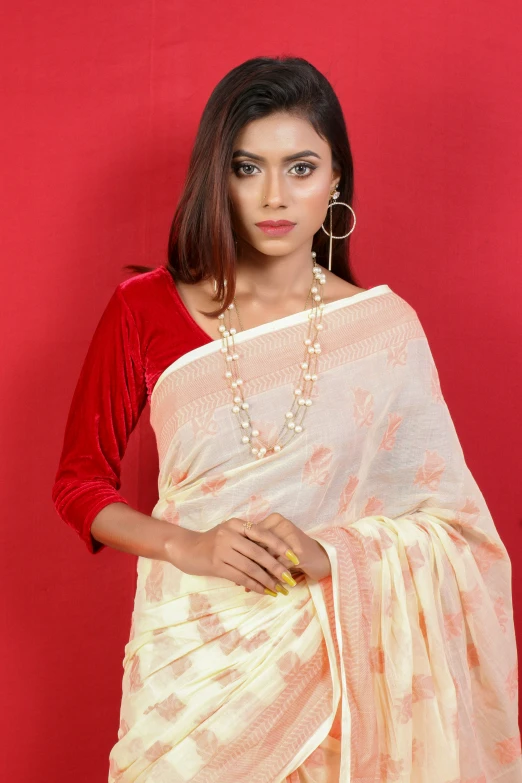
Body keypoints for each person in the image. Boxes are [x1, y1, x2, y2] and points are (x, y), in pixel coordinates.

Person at [51, 56, 520, 783]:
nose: (275, 196)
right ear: (219, 176)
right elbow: (78, 484)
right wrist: (188, 546)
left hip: (336, 668)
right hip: (191, 671)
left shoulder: (383, 329)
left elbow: (456, 531)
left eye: (301, 168)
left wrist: (334, 554)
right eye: (248, 168)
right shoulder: (144, 309)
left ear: (336, 181)